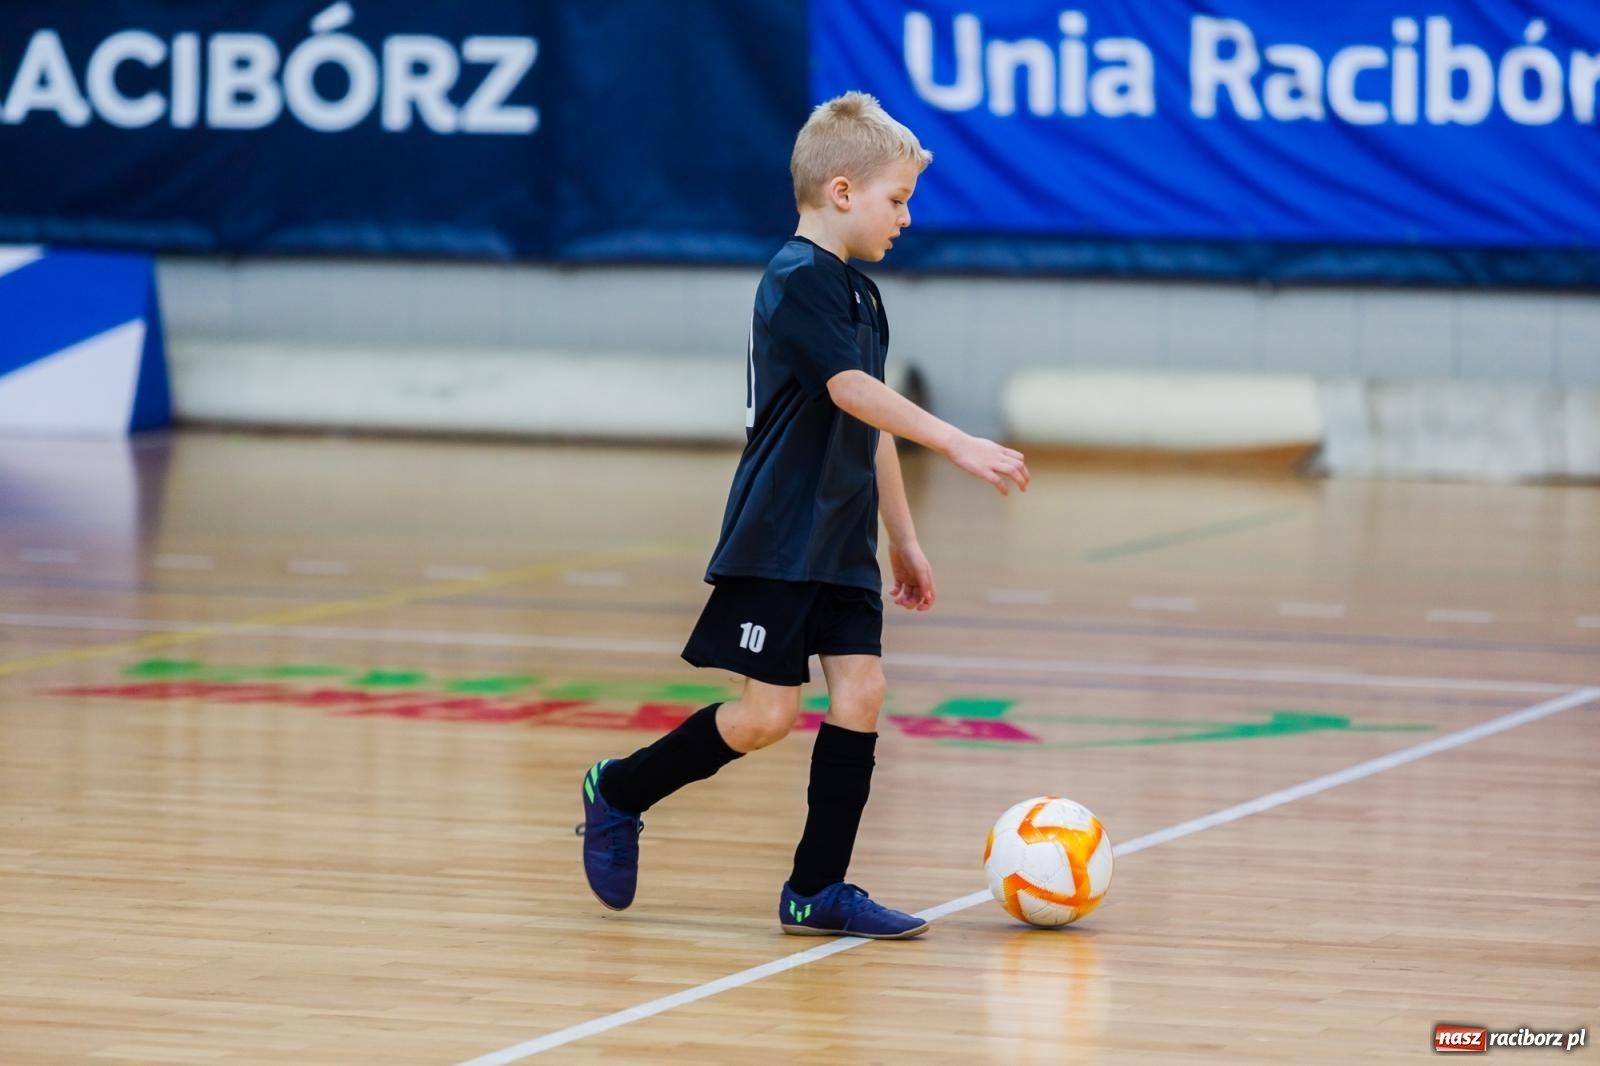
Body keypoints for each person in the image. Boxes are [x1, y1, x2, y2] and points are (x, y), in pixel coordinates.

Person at [578, 91, 1029, 939]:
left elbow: (873, 418)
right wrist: (960, 442)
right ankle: (620, 788)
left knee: (863, 689)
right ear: (845, 191)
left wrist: (904, 539)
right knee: (765, 719)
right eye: (899, 199)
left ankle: (816, 889)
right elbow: (849, 389)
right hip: (780, 534)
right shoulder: (795, 279)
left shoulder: (863, 297)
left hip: (843, 536)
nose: (907, 216)